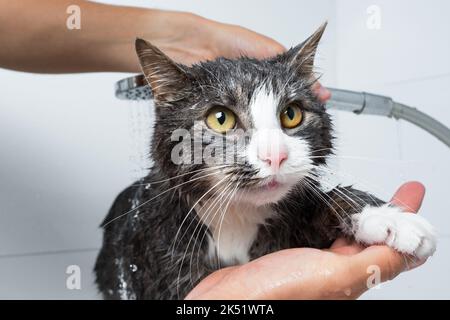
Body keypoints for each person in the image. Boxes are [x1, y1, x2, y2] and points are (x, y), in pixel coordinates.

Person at [0, 0, 428, 299]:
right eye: (223, 121)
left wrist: (356, 212)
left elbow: (322, 211)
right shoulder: (147, 224)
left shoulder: (306, 207)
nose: (274, 154)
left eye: (291, 117)